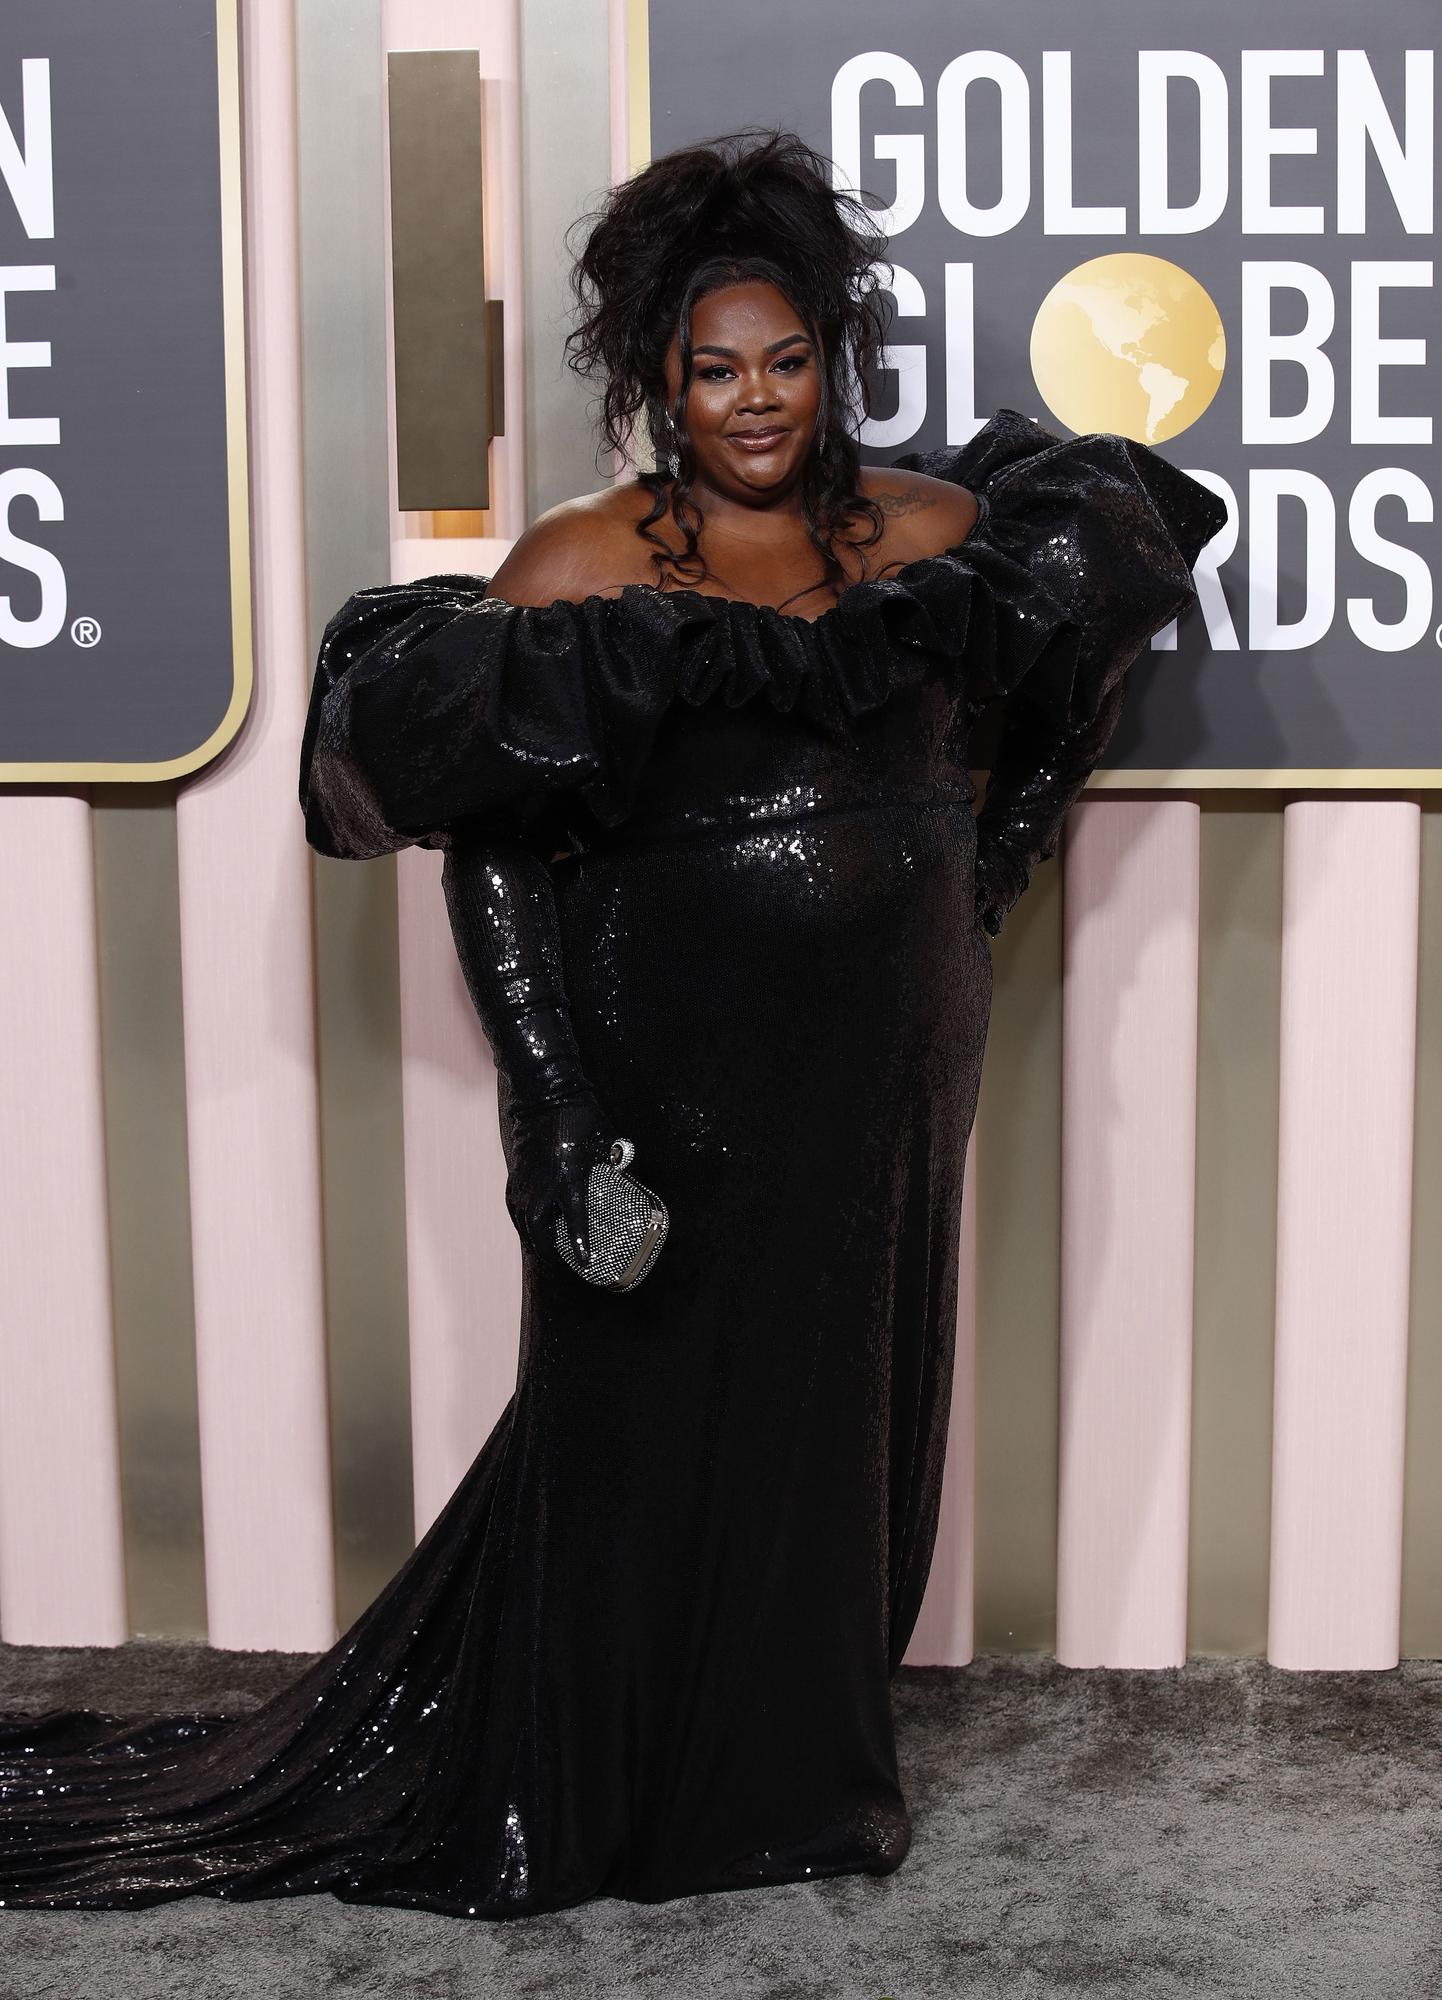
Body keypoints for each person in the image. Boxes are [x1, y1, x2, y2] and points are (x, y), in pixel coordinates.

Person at [0, 129, 1226, 1919]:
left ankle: (797, 1785)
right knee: (637, 1416)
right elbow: (490, 857)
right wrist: (556, 1116)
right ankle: (601, 1789)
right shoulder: (580, 565)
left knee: (843, 1409)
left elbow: (1080, 668)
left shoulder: (936, 535)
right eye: (712, 367)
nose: (752, 402)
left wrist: (997, 857)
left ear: (833, 355)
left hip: (891, 1056)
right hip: (671, 1058)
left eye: (785, 361)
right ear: (657, 371)